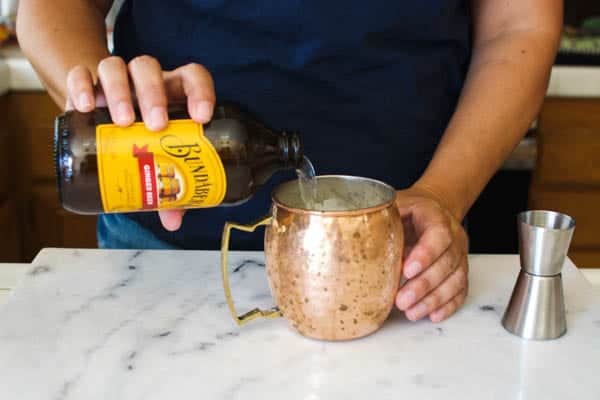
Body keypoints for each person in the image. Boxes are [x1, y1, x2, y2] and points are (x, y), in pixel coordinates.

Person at [17, 0, 562, 323]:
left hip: (399, 263)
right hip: (162, 256)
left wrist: (443, 194)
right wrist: (105, 101)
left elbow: (519, 24)